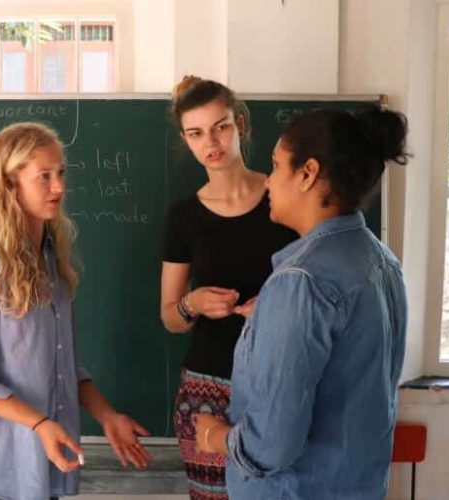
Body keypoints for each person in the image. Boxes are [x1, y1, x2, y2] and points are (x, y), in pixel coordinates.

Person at [194, 105, 410, 499]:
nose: (269, 182)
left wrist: (214, 436)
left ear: (307, 173)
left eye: (277, 166)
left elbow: (270, 446)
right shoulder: (381, 260)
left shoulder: (301, 282)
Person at [0, 122, 152, 500]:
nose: (59, 187)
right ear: (10, 183)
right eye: (44, 177)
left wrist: (106, 416)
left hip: (43, 472)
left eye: (61, 174)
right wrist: (39, 424)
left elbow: (65, 366)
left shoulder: (52, 263)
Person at [161, 76, 297, 499]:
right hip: (208, 387)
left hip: (278, 380)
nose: (211, 142)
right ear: (185, 140)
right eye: (196, 133)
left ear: (239, 124)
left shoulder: (284, 199)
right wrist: (192, 303)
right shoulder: (184, 217)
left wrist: (275, 307)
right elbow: (170, 317)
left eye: (220, 127)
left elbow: (314, 289)